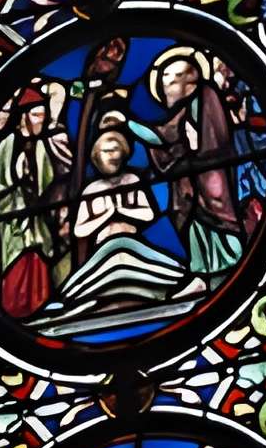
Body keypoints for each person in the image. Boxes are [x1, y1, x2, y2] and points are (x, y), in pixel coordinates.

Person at [49, 120, 191, 318]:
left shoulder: (132, 181)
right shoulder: (91, 190)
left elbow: (148, 214)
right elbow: (79, 230)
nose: (111, 156)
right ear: (96, 156)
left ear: (124, 152)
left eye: (115, 150)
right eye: (106, 151)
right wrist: (107, 215)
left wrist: (122, 210)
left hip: (132, 245)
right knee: (96, 279)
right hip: (103, 250)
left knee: (152, 272)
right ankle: (83, 301)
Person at [146, 49, 251, 282]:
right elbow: (167, 140)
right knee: (195, 221)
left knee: (219, 214)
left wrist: (126, 123)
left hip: (213, 174)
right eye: (164, 82)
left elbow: (167, 137)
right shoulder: (184, 110)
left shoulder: (206, 96)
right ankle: (203, 269)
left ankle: (230, 260)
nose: (167, 89)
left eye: (172, 80)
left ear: (190, 80)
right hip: (193, 181)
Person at [0, 83, 72, 319]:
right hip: (13, 220)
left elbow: (51, 178)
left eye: (43, 115)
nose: (41, 120)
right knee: (17, 264)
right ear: (24, 116)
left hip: (37, 218)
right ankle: (16, 311)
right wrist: (17, 187)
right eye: (37, 114)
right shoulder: (7, 143)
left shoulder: (41, 145)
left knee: (39, 260)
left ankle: (40, 306)